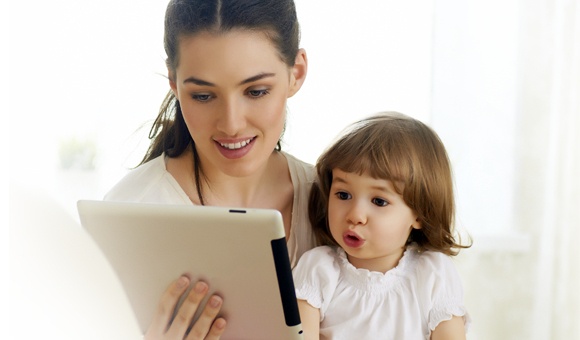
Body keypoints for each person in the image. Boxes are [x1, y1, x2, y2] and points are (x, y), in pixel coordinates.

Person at [104, 0, 314, 339]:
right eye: (203, 96)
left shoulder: (346, 204)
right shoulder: (131, 210)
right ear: (174, 82)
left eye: (256, 91)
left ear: (297, 73)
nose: (231, 124)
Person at [293, 112, 473, 340]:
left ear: (420, 213)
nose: (355, 215)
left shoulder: (433, 274)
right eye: (343, 194)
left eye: (379, 201)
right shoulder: (319, 268)